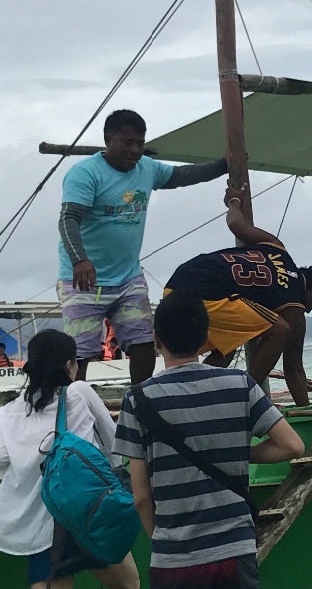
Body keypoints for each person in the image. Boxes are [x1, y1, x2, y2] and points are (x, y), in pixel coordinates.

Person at [116, 291, 305, 589]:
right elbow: (293, 447)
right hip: (234, 556)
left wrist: (163, 542)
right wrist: (240, 452)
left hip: (176, 559)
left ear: (156, 339)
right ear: (206, 340)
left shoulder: (138, 400)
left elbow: (141, 498)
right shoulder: (239, 384)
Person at [0, 327, 140, 589]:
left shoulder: (10, 412)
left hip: (41, 537)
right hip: (88, 522)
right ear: (70, 364)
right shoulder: (80, 393)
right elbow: (117, 448)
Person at [58, 108, 228, 387]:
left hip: (127, 278)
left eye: (140, 142)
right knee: (82, 354)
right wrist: (79, 260)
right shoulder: (85, 174)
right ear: (108, 140)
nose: (135, 150)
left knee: (143, 342)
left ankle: (139, 401)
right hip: (83, 279)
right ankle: (77, 407)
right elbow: (68, 220)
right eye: (128, 142)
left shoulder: (147, 168)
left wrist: (223, 166)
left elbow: (183, 175)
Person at [161, 194, 312, 407]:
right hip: (209, 294)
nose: (308, 311)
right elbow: (293, 368)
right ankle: (245, 397)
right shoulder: (294, 305)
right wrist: (306, 410)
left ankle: (185, 396)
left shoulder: (276, 247)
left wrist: (234, 200)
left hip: (177, 284)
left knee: (227, 347)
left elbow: (235, 223)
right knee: (280, 330)